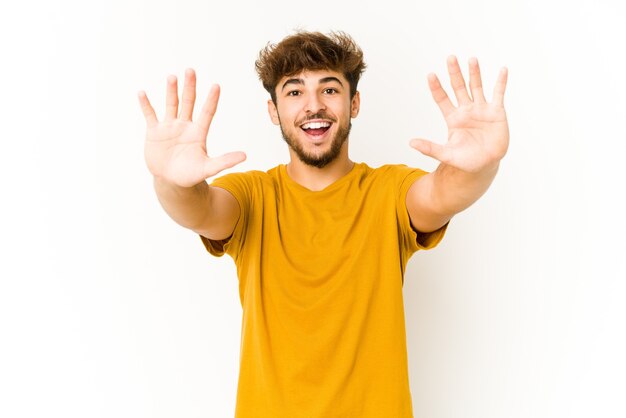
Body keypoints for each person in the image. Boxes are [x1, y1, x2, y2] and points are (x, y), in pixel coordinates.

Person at [138, 31, 509, 418]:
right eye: (294, 92)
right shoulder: (252, 196)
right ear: (273, 111)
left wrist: (481, 165)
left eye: (329, 90)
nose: (313, 106)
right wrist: (171, 180)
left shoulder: (388, 192)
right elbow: (198, 208)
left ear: (354, 102)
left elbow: (444, 193)